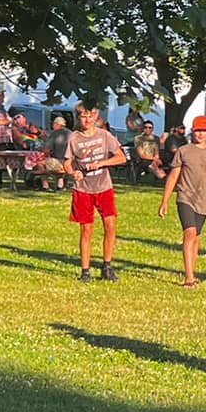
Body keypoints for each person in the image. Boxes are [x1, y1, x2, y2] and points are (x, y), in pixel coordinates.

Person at [159, 113, 206, 287]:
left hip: (203, 200)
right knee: (189, 233)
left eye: (204, 131)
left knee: (196, 236)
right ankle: (189, 278)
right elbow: (173, 176)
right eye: (197, 130)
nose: (200, 134)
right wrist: (165, 201)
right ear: (192, 131)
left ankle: (193, 271)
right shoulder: (183, 151)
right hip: (185, 197)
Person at [65, 106, 128, 283]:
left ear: (96, 116)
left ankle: (107, 266)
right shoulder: (74, 138)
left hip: (104, 187)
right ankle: (85, 271)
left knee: (110, 226)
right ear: (78, 118)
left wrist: (102, 163)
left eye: (90, 116)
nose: (87, 120)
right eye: (83, 117)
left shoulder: (104, 136)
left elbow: (121, 157)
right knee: (86, 229)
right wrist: (73, 173)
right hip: (83, 189)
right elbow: (67, 163)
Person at [132, 117, 163, 182]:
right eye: (145, 127)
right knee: (154, 166)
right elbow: (141, 155)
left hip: (153, 160)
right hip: (142, 160)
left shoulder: (156, 139)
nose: (147, 129)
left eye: (150, 127)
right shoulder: (138, 138)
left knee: (158, 164)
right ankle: (162, 178)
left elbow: (157, 152)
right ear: (143, 128)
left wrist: (156, 159)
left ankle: (162, 178)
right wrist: (154, 159)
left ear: (153, 129)